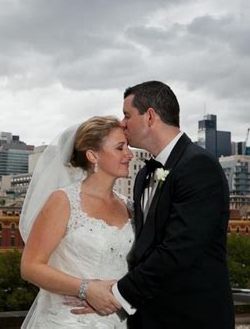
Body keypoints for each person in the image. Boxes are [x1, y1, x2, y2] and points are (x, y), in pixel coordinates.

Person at [78, 81, 235, 328]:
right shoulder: (142, 175)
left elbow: (178, 250)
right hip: (147, 319)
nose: (122, 123)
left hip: (191, 318)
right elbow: (143, 248)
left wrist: (116, 295)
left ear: (150, 116)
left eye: (127, 115)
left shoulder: (199, 167)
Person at [19, 116, 134, 328]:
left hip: (120, 320)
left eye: (127, 146)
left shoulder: (131, 207)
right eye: (120, 148)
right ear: (92, 155)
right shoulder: (63, 201)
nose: (130, 154)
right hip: (69, 321)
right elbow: (30, 266)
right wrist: (86, 289)